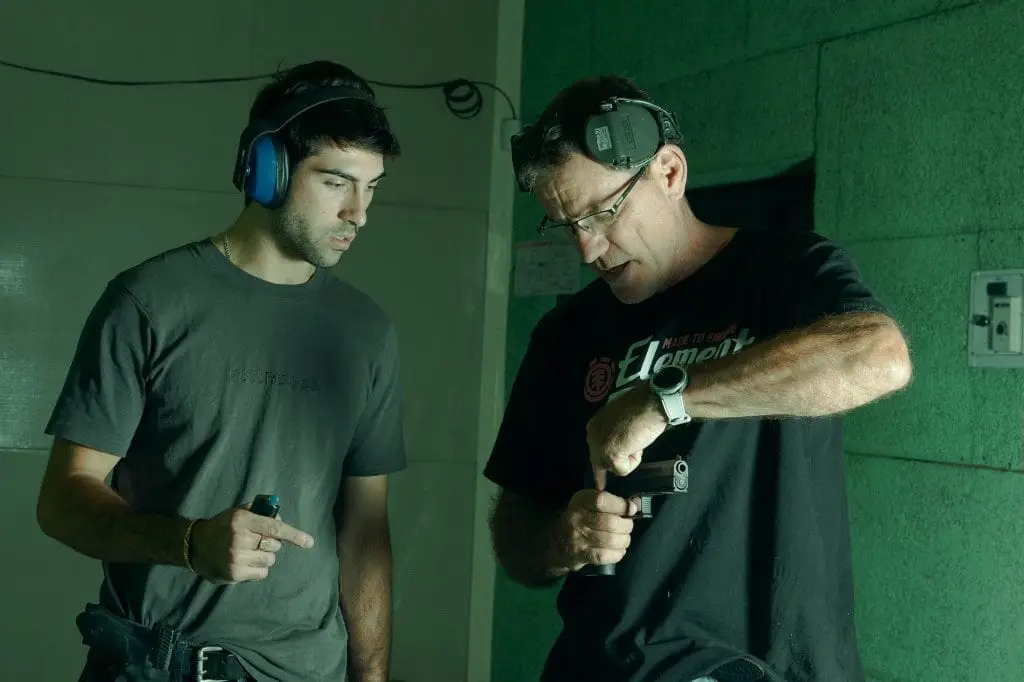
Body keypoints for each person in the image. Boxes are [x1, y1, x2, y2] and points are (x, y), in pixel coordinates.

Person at [485, 75, 913, 682]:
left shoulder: (786, 273)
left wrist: (665, 399)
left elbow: (880, 357)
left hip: (770, 666)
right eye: (565, 224)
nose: (587, 249)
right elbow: (514, 531)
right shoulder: (565, 335)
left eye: (603, 212)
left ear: (669, 172)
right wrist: (562, 538)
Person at [36, 60, 407, 682]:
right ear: (267, 170)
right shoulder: (148, 302)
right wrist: (187, 544)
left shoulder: (367, 331)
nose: (359, 214)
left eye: (372, 188)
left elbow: (366, 534)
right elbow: (62, 501)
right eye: (337, 183)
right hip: (152, 667)